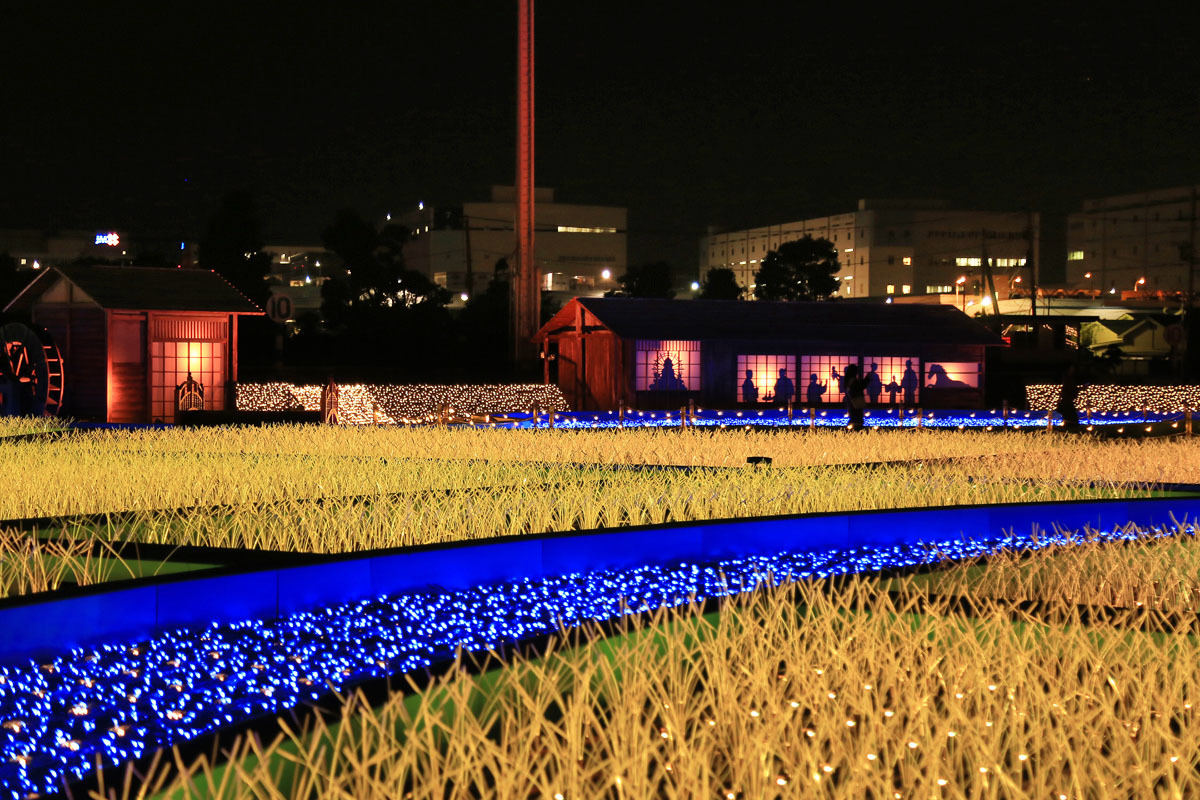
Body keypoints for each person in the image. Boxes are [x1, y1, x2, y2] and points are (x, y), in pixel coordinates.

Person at [1057, 364, 1081, 432]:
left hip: (1068, 398)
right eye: (1071, 368)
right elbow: (1068, 388)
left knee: (1069, 412)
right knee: (1069, 412)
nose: (1073, 370)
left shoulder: (1069, 378)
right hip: (1067, 399)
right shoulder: (1067, 378)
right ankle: (1071, 425)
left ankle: (1070, 424)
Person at [844, 363, 867, 430]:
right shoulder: (852, 380)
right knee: (857, 418)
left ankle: (853, 431)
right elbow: (859, 387)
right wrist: (866, 380)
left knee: (854, 417)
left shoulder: (848, 380)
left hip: (852, 402)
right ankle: (857, 431)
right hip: (856, 402)